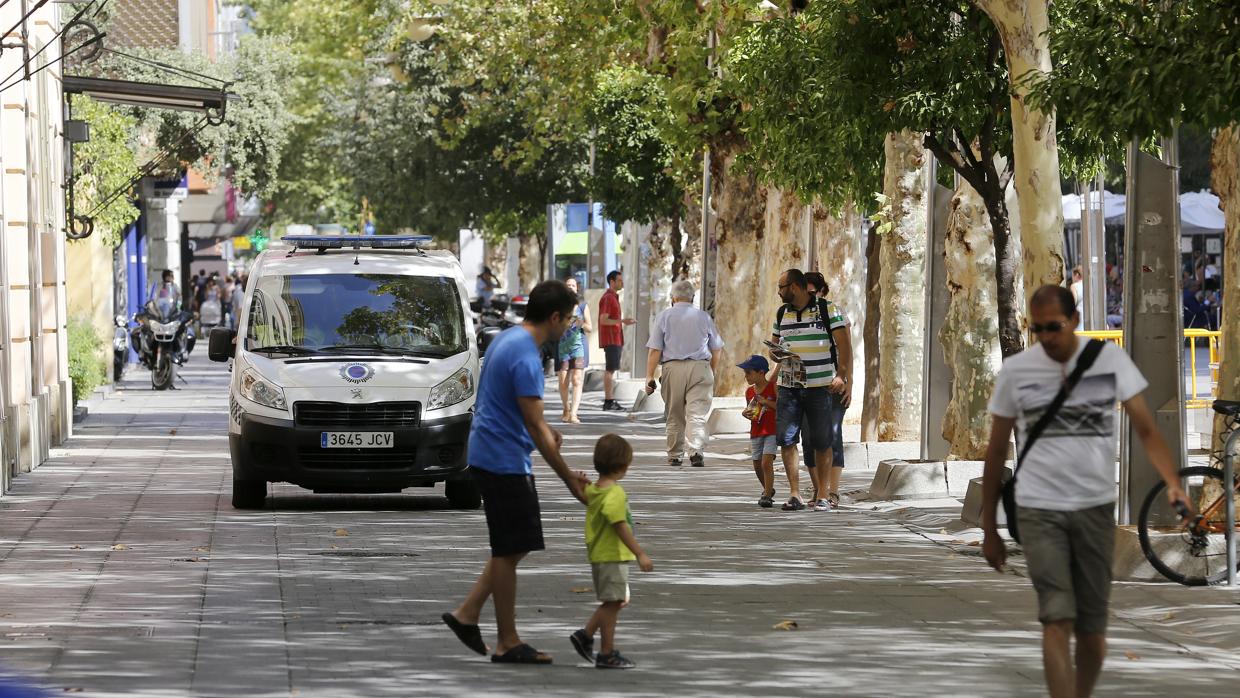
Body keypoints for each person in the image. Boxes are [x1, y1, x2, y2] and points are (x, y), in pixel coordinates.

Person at [981, 285, 1190, 698]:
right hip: (1038, 510)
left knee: (1092, 631)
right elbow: (994, 451)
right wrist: (990, 528)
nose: (1046, 337)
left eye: (1054, 327)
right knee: (1056, 617)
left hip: (1094, 510)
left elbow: (1146, 429)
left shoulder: (1108, 360)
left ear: (1075, 320)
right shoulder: (1017, 371)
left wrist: (1172, 483)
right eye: (1037, 329)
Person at [442, 280, 591, 665]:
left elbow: (523, 414)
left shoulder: (509, 340)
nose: (570, 327)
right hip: (502, 460)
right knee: (509, 548)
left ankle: (468, 614)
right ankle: (506, 640)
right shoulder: (526, 354)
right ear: (555, 317)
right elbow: (536, 427)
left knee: (514, 544)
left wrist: (544, 429)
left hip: (492, 453)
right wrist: (570, 479)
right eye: (569, 319)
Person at [569, 434, 653, 670]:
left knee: (616, 601)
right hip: (612, 555)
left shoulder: (596, 490)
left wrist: (578, 482)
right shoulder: (614, 493)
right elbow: (620, 526)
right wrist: (640, 553)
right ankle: (605, 652)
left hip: (601, 555)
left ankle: (585, 635)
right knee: (613, 603)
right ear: (625, 465)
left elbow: (585, 497)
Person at [770, 269, 852, 511]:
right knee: (787, 439)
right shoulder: (781, 313)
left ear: (795, 287)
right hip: (789, 387)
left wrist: (842, 376)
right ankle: (795, 493)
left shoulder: (828, 310)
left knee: (821, 441)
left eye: (781, 287)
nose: (779, 292)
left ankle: (824, 494)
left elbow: (844, 345)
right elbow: (774, 347)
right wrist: (774, 354)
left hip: (820, 387)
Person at [644, 280, 724, 467]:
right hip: (700, 367)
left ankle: (675, 454)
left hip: (673, 368)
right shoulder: (704, 317)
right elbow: (717, 348)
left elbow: (655, 349)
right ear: (693, 297)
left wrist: (649, 376)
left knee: (675, 412)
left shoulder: (664, 317)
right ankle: (695, 449)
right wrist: (711, 370)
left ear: (673, 298)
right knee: (697, 413)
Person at [804, 271, 848, 509]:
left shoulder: (833, 311)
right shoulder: (792, 313)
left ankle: (832, 492)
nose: (809, 297)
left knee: (832, 434)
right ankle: (818, 489)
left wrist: (845, 379)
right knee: (808, 436)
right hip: (803, 385)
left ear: (822, 291)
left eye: (812, 292)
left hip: (832, 384)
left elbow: (845, 348)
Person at [739, 355, 777, 507]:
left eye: (749, 372)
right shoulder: (749, 392)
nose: (746, 376)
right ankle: (768, 488)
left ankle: (767, 495)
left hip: (771, 430)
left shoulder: (773, 387)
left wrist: (767, 402)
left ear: (761, 373)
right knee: (756, 464)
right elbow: (751, 410)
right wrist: (745, 413)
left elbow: (779, 407)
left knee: (766, 462)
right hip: (756, 431)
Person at [598, 270, 636, 411]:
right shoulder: (608, 298)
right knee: (610, 369)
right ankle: (608, 400)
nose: (622, 283)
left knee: (612, 369)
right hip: (611, 339)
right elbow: (603, 319)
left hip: (616, 338)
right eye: (619, 280)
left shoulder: (614, 297)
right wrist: (622, 321)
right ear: (612, 282)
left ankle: (610, 399)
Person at [557, 277, 593, 424]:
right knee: (563, 381)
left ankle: (573, 413)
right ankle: (566, 408)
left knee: (577, 379)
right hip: (562, 346)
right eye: (568, 285)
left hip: (578, 346)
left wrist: (581, 323)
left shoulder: (583, 306)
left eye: (573, 285)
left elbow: (590, 328)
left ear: (577, 288)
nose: (571, 287)